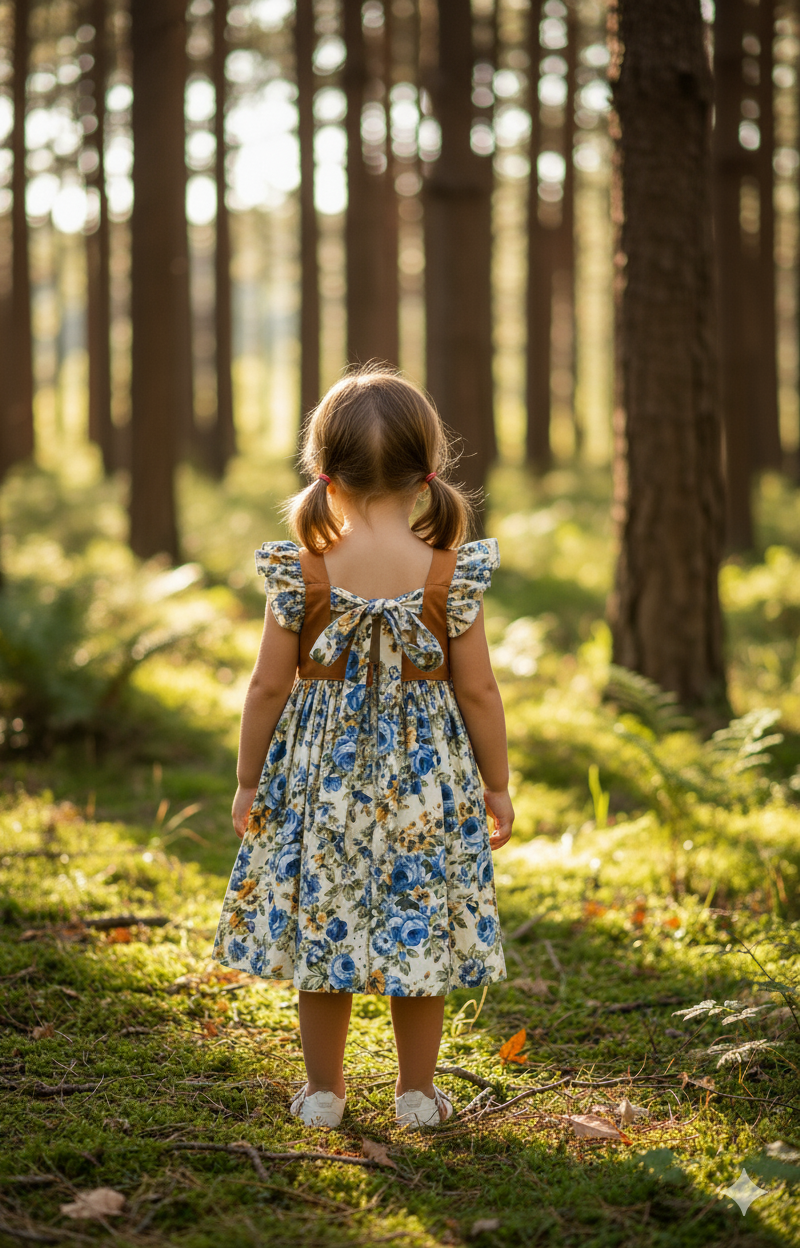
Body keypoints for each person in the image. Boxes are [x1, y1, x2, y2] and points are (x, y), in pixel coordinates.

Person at [212, 368, 514, 1131]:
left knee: (326, 925)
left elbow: (265, 690)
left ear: (323, 471)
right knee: (421, 925)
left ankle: (323, 1094)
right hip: (426, 784)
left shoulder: (304, 571)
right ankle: (416, 1095)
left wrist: (250, 781)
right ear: (427, 472)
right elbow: (479, 693)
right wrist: (497, 784)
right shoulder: (450, 571)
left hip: (321, 781)